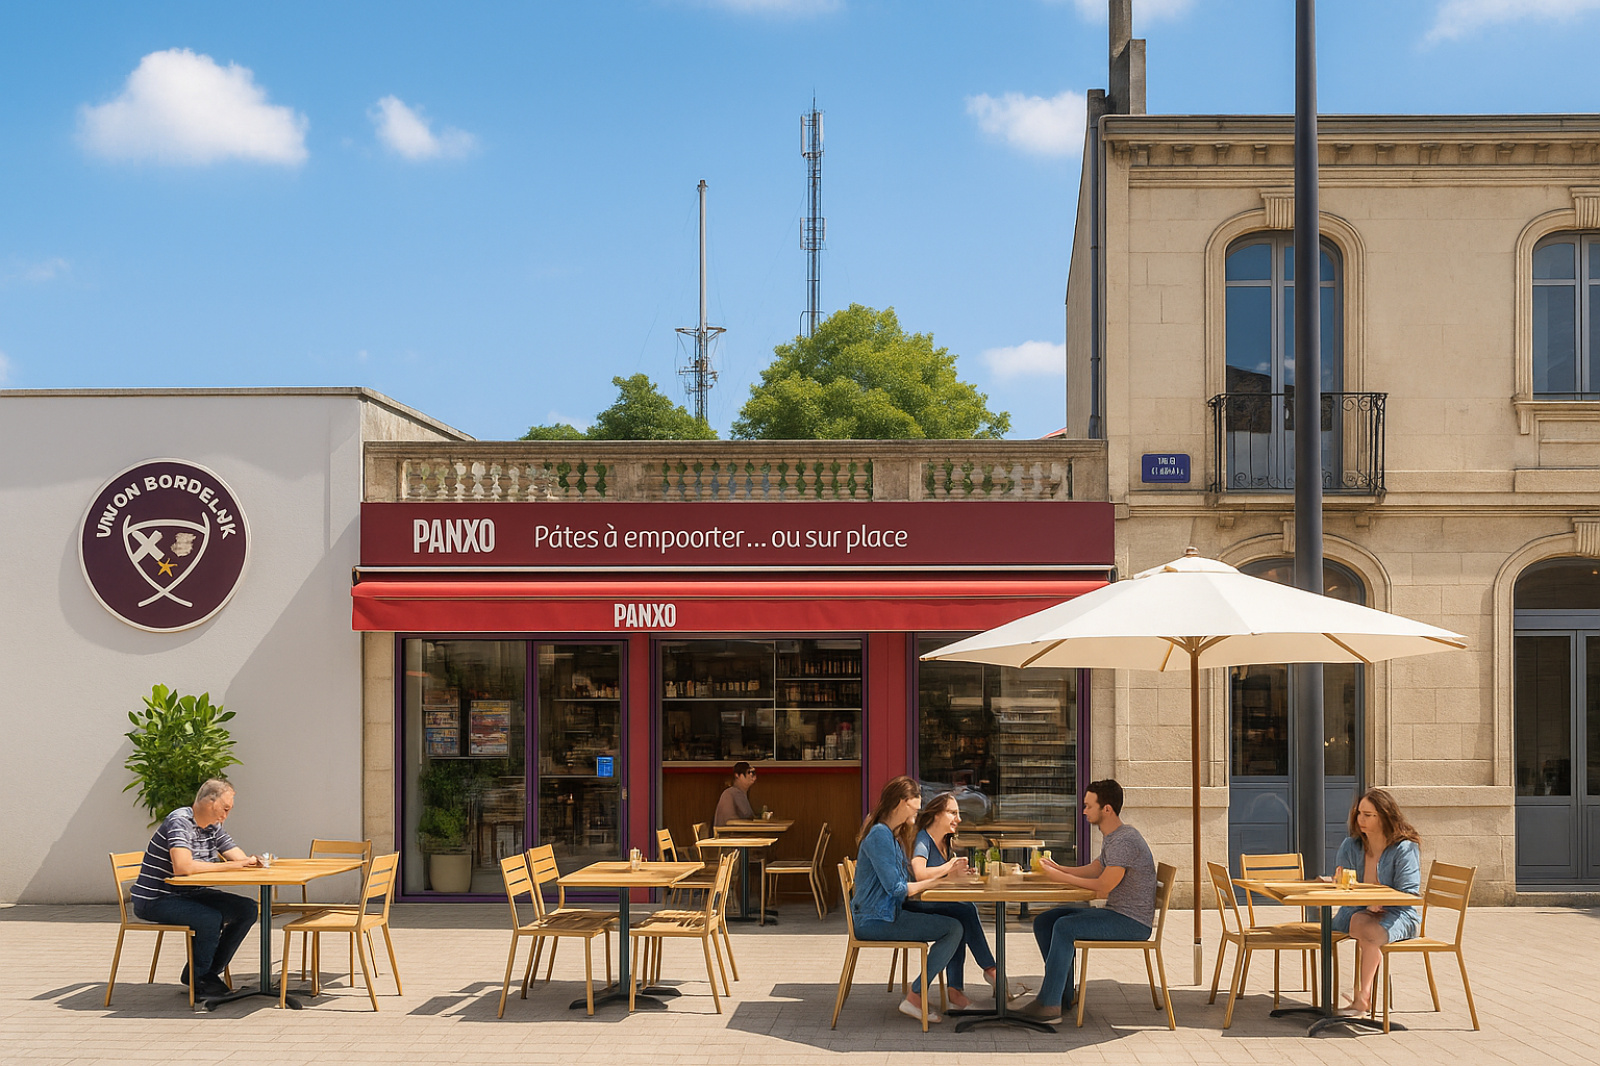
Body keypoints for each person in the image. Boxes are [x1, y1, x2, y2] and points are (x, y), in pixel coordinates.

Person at [1017, 778, 1157, 1022]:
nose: (1084, 811)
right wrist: (1059, 868)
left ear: (1107, 809)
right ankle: (1061, 996)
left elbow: (1103, 888)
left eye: (1089, 806)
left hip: (1131, 922)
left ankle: (1049, 1005)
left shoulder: (1124, 840)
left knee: (1064, 926)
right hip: (1118, 914)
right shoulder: (1115, 836)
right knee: (1045, 921)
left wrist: (1060, 876)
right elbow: (1096, 868)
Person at [130, 778, 264, 997]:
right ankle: (200, 979)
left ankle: (204, 974)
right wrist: (231, 865)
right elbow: (182, 867)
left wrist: (252, 862)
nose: (226, 815)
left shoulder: (213, 826)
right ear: (210, 802)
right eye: (225, 808)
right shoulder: (180, 821)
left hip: (191, 893)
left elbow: (238, 858)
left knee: (247, 909)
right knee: (209, 918)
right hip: (157, 898)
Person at [851, 776, 965, 1024]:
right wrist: (941, 879)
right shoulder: (880, 835)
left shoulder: (891, 835)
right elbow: (897, 889)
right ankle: (916, 995)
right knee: (954, 928)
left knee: (959, 912)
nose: (919, 809)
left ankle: (946, 990)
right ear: (903, 802)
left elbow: (903, 880)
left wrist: (943, 873)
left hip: (886, 913)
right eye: (916, 804)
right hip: (875, 920)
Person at [903, 791, 1019, 1008]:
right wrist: (950, 867)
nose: (959, 818)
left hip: (937, 902)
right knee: (964, 911)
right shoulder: (923, 839)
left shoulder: (945, 842)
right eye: (953, 813)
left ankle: (957, 990)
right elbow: (919, 873)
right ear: (937, 815)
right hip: (918, 904)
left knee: (961, 914)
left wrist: (962, 874)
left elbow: (946, 880)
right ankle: (989, 970)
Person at [1331, 787, 1422, 1016]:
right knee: (1359, 924)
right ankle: (1362, 997)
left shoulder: (1404, 848)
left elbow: (1409, 893)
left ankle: (1362, 997)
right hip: (1356, 912)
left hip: (1399, 915)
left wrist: (1379, 900)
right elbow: (1345, 885)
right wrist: (1338, 882)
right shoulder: (1351, 846)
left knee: (1365, 928)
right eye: (1359, 814)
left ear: (1384, 816)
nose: (1361, 820)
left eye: (1368, 815)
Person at [713, 761, 757, 827]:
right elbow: (730, 821)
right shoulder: (728, 794)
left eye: (752, 773)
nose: (751, 776)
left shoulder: (742, 794)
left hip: (741, 831)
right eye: (748, 773)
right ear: (737, 775)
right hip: (729, 832)